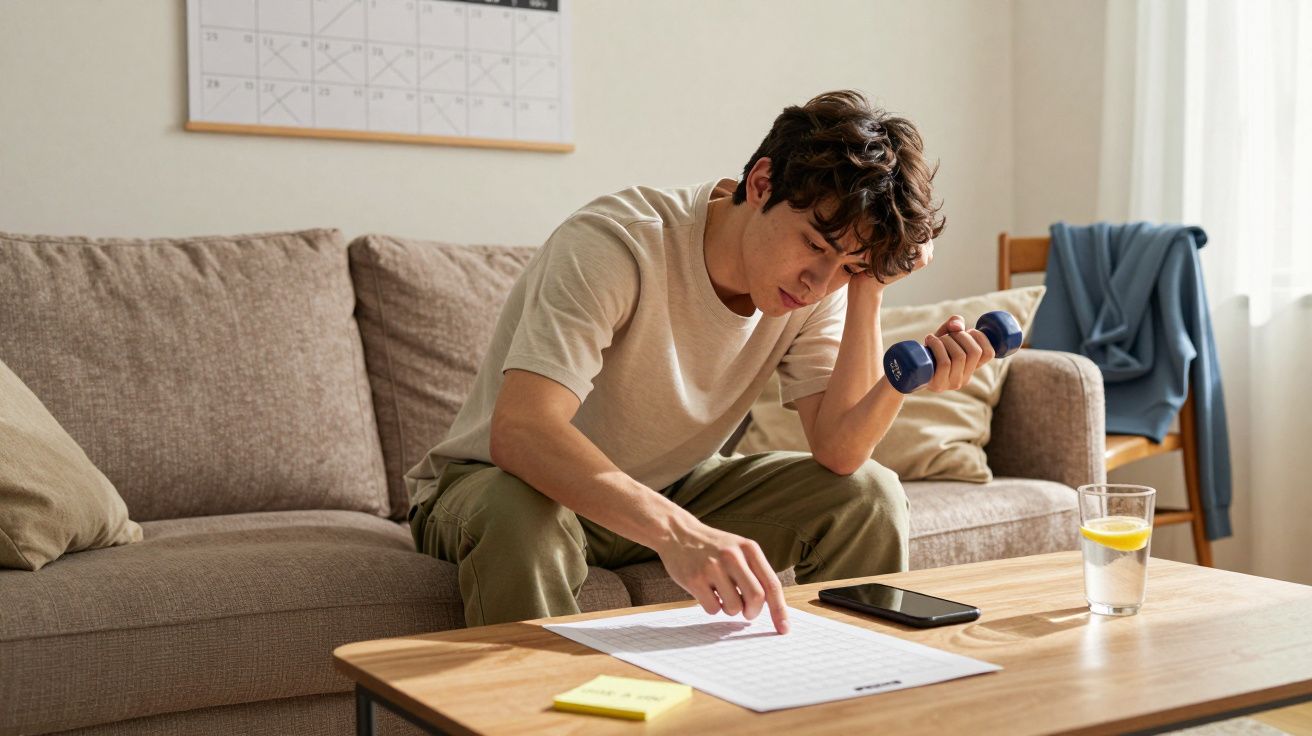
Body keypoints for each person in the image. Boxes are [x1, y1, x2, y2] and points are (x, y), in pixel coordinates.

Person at [406, 90, 995, 634]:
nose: (819, 282)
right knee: (523, 516)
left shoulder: (820, 288)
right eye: (815, 246)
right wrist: (676, 532)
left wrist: (872, 287)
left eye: (849, 264)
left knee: (868, 495)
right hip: (501, 486)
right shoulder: (617, 244)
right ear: (762, 182)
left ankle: (851, 699)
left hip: (670, 484)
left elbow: (840, 451)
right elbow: (522, 431)